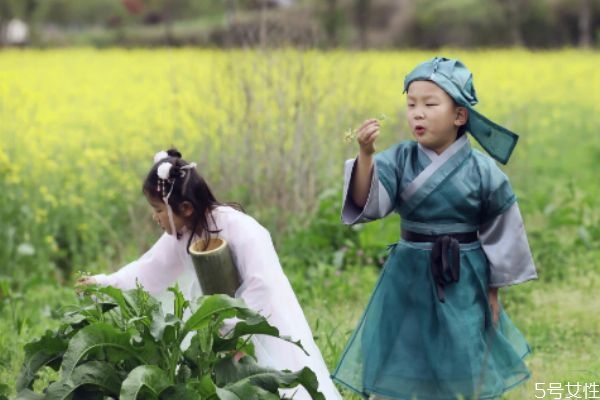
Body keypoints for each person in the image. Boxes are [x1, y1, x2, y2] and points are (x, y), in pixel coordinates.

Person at [331, 57, 537, 400]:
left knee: (464, 339)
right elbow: (370, 202)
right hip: (408, 269)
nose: (417, 113)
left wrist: (493, 290)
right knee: (406, 340)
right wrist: (366, 154)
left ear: (459, 115)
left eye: (429, 104)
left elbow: (501, 227)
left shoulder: (484, 171)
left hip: (464, 271)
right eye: (411, 105)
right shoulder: (399, 159)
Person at [77, 148, 342, 400]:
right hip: (223, 329)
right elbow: (149, 270)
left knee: (279, 383)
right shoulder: (182, 236)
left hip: (263, 322)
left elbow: (262, 285)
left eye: (159, 210)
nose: (154, 217)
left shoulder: (240, 228)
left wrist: (234, 330)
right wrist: (103, 283)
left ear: (186, 208)